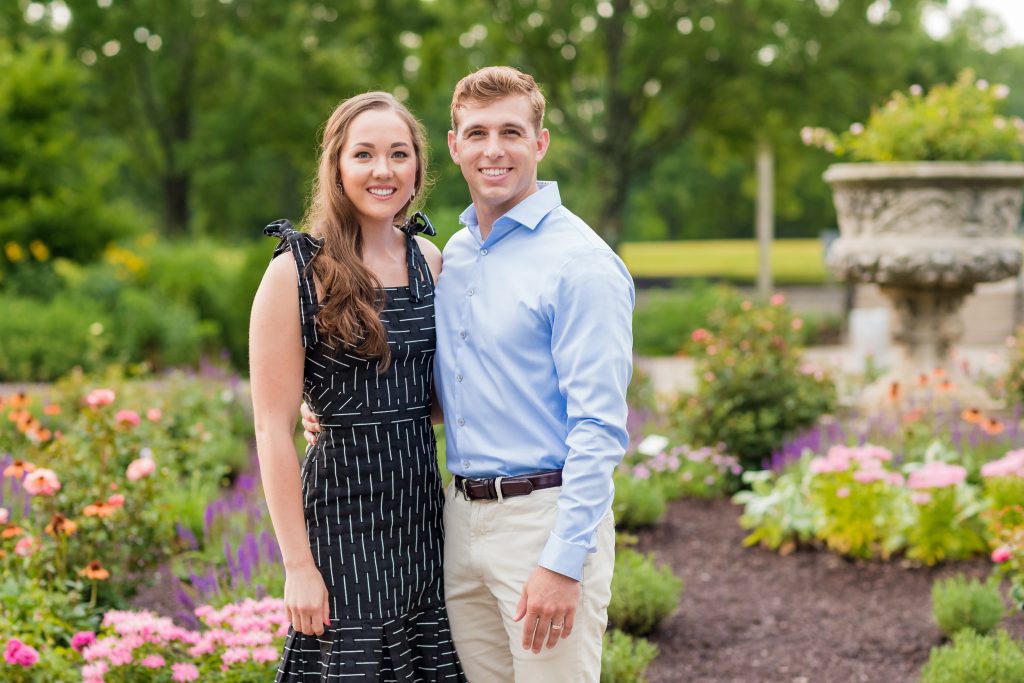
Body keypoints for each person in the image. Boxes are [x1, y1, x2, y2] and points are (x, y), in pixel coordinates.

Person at [305, 67, 634, 682]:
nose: (493, 150)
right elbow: (465, 388)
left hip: (544, 521)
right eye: (476, 133)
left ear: (539, 143)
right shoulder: (450, 254)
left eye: (511, 132)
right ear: (454, 146)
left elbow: (599, 427)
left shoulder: (581, 264)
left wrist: (564, 562)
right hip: (458, 524)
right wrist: (341, 405)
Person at [250, 91, 466, 682]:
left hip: (421, 519)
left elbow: (441, 396)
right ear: (337, 166)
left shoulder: (431, 259)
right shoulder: (295, 272)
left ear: (418, 167)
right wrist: (298, 566)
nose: (383, 170)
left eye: (399, 154)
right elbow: (270, 427)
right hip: (341, 525)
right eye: (364, 153)